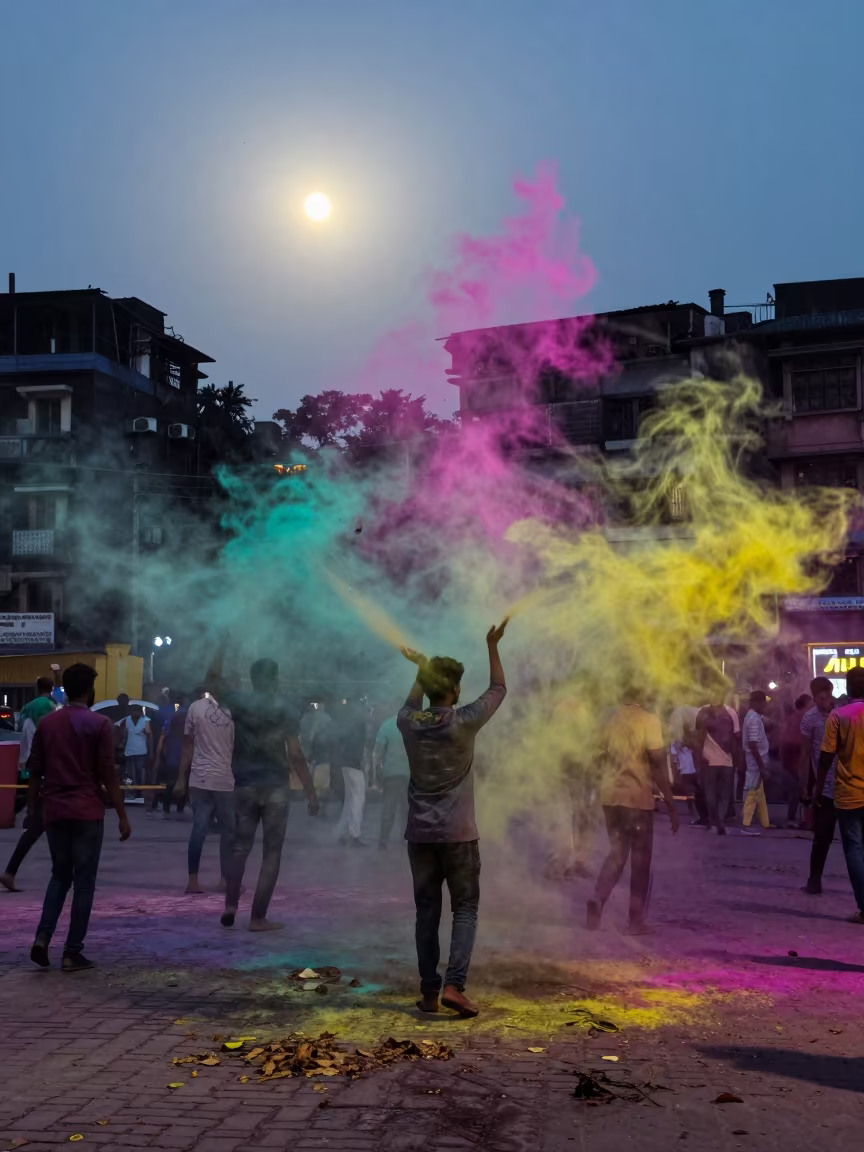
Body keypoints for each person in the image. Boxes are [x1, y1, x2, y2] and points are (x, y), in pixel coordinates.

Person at [398, 620, 509, 1019]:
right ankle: (455, 987)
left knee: (427, 912)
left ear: (427, 688)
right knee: (465, 909)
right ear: (456, 689)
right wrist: (492, 645)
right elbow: (499, 689)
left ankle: (429, 992)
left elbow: (411, 704)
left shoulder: (408, 723)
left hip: (420, 836)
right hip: (459, 835)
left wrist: (420, 667)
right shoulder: (464, 721)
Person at [28, 663, 130, 970]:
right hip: (86, 811)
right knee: (84, 882)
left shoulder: (48, 724)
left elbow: (35, 771)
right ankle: (72, 951)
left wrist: (34, 810)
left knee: (60, 876)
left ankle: (42, 937)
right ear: (89, 690)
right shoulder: (99, 724)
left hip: (55, 810)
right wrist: (122, 815)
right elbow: (108, 774)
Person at [221, 659, 318, 931]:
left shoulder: (239, 703)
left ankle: (230, 905)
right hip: (275, 786)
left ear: (252, 679)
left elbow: (212, 679)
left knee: (240, 847)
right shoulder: (285, 709)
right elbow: (296, 755)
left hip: (244, 784)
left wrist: (219, 645)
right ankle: (257, 918)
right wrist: (311, 792)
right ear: (275, 679)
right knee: (271, 853)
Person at [587, 690, 680, 936]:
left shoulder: (608, 719)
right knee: (640, 861)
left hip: (611, 798)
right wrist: (671, 805)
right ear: (643, 694)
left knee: (616, 853)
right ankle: (635, 921)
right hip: (637, 799)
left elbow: (595, 760)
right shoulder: (648, 720)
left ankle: (597, 898)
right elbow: (659, 765)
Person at [175, 681, 235, 895]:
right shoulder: (233, 711)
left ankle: (193, 882)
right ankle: (224, 881)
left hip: (199, 779)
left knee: (199, 830)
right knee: (228, 832)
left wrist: (181, 778)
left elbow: (187, 745)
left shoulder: (195, 707)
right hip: (223, 781)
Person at [816, 665, 864, 923]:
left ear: (847, 688)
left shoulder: (838, 716)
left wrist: (817, 788)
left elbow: (825, 757)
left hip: (848, 794)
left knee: (855, 849)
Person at [0, 677, 57, 892]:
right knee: (46, 824)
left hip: (30, 762)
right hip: (45, 764)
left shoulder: (26, 708)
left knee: (42, 824)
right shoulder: (46, 706)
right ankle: (62, 876)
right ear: (50, 689)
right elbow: (50, 734)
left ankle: (11, 872)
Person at [799, 677, 837, 894]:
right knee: (822, 837)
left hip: (850, 785)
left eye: (827, 696)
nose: (824, 701)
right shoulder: (809, 719)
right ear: (813, 698)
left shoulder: (843, 713)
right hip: (824, 788)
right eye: (819, 698)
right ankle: (814, 880)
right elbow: (805, 755)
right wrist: (804, 785)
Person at [695, 693, 741, 834]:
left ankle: (715, 823)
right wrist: (737, 760)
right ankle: (719, 822)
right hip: (726, 760)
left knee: (711, 792)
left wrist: (698, 757)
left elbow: (698, 736)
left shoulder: (702, 712)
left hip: (710, 760)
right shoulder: (730, 712)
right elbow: (736, 737)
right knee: (724, 794)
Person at [333, 697, 370, 846]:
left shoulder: (347, 722)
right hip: (354, 764)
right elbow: (359, 746)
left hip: (345, 764)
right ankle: (355, 835)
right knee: (358, 799)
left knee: (350, 799)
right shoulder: (360, 724)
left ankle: (341, 832)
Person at [374, 707, 410, 849]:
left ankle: (383, 840)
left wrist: (379, 770)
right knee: (407, 809)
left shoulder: (387, 725)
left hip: (391, 773)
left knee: (389, 808)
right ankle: (406, 839)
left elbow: (378, 753)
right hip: (409, 774)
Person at [741, 691, 772, 835]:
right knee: (752, 792)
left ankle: (765, 823)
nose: (765, 705)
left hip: (757, 761)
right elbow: (753, 744)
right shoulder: (753, 719)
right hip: (755, 762)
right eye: (763, 702)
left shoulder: (753, 717)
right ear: (756, 703)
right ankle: (745, 825)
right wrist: (761, 766)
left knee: (759, 793)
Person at [155, 692, 189, 818]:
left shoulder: (169, 714)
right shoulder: (188, 714)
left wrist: (159, 754)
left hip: (172, 755)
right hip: (184, 756)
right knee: (183, 781)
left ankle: (166, 809)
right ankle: (179, 809)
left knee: (169, 782)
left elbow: (163, 736)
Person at [781, 693, 812, 828]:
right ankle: (801, 820)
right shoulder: (802, 718)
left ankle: (795, 819)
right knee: (801, 790)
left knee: (797, 791)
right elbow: (791, 741)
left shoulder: (792, 718)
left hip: (792, 760)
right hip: (798, 760)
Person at [116, 703, 152, 807]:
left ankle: (139, 794)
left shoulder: (145, 720)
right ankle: (130, 793)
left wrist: (151, 751)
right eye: (137, 711)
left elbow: (149, 736)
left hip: (141, 751)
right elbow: (119, 729)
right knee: (130, 774)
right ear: (132, 712)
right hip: (129, 751)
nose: (139, 713)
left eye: (140, 711)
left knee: (139, 773)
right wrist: (121, 743)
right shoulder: (126, 720)